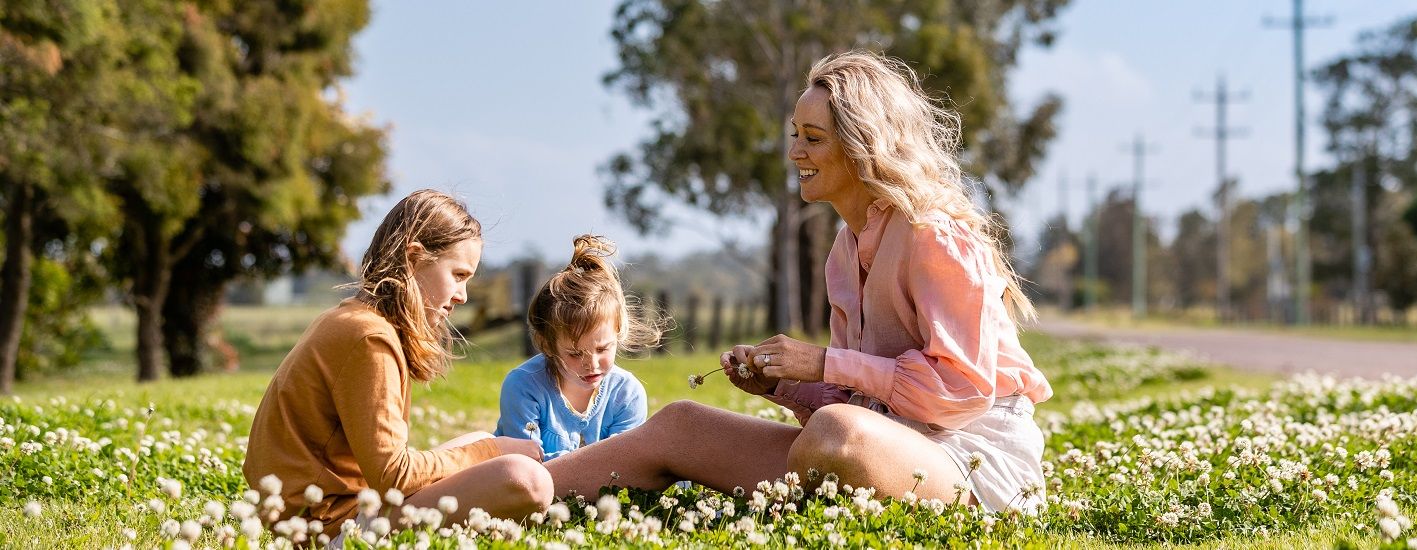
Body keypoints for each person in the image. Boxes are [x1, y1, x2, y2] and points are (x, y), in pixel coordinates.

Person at [545, 50, 1054, 512]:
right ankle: (512, 488)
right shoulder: (845, 249)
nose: (795, 154)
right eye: (795, 135)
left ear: (861, 148)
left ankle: (800, 504)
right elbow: (863, 401)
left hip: (974, 464)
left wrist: (822, 363)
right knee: (682, 424)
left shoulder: (931, 236)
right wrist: (786, 385)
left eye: (813, 139)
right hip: (882, 441)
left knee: (837, 436)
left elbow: (959, 392)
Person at [243, 189, 552, 529]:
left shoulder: (356, 320)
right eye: (458, 275)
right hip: (326, 526)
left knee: (480, 440)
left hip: (325, 512)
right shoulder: (370, 339)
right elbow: (394, 475)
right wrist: (492, 454)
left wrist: (487, 449)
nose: (463, 295)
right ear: (414, 259)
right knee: (526, 479)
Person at [494, 235, 661, 460]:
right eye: (574, 353)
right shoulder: (523, 386)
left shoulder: (627, 394)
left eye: (602, 349)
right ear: (547, 344)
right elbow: (526, 466)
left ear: (618, 333)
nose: (591, 364)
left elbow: (625, 465)